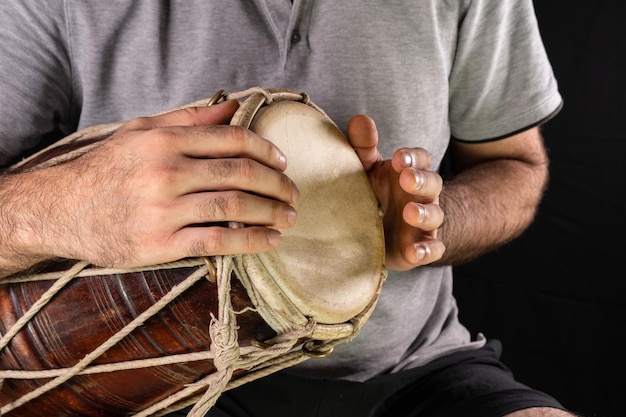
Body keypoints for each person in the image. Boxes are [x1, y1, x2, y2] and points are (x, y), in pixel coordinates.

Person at [0, 1, 574, 417]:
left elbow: (518, 166)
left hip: (415, 371)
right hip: (148, 378)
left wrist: (436, 220)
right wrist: (64, 206)